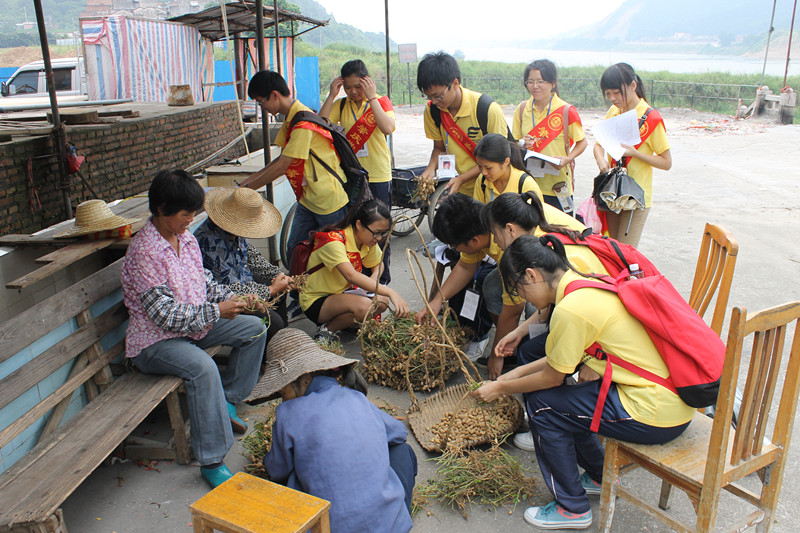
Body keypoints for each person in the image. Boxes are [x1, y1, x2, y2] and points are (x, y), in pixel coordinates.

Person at [471, 235, 694, 530]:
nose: (524, 298)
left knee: (543, 407)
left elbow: (552, 376)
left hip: (654, 412)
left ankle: (572, 508)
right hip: (668, 399)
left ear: (532, 275)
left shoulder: (570, 310)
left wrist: (500, 388)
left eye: (519, 288)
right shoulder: (583, 284)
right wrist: (513, 375)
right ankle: (600, 476)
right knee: (563, 403)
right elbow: (561, 360)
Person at [121, 169, 267, 489]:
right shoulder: (145, 251)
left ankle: (228, 400)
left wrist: (235, 299)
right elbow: (164, 316)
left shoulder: (185, 239)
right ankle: (212, 461)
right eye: (186, 214)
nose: (191, 220)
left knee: (254, 328)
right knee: (203, 368)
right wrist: (216, 311)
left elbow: (205, 283)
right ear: (162, 209)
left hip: (193, 327)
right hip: (155, 342)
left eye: (192, 213)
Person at [480, 191, 608, 451]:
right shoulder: (539, 241)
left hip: (605, 341)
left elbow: (590, 310)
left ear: (510, 229)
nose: (496, 243)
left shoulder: (557, 256)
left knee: (545, 375)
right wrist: (519, 332)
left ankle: (545, 417)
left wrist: (594, 362)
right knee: (528, 349)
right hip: (588, 325)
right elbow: (552, 298)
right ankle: (540, 416)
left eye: (496, 235)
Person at [255, 328, 415, 533]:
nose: (283, 399)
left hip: (327, 527)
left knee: (295, 471)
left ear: (305, 379)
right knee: (403, 451)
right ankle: (391, 515)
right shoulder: (357, 398)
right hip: (391, 528)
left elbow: (277, 471)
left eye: (283, 392)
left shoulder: (288, 413)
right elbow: (399, 434)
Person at [240, 70, 349, 258]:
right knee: (295, 251)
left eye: (260, 101)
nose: (261, 107)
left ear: (274, 95)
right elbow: (281, 159)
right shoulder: (292, 117)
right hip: (308, 198)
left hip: (328, 199)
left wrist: (248, 189)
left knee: (335, 255)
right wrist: (247, 183)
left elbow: (283, 166)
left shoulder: (302, 123)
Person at [319, 59, 395, 284]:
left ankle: (381, 280)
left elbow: (387, 127)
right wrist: (331, 96)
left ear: (367, 82)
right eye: (348, 87)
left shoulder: (380, 102)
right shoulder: (341, 105)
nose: (353, 92)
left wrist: (371, 98)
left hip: (378, 176)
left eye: (358, 87)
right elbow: (320, 124)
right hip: (352, 177)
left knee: (379, 231)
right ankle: (361, 281)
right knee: (356, 230)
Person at [300, 199, 409, 342]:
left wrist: (373, 280)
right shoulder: (333, 241)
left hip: (343, 294)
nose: (379, 238)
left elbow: (378, 264)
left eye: (383, 233)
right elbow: (351, 276)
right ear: (358, 225)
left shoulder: (367, 240)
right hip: (317, 300)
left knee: (382, 301)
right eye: (377, 233)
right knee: (366, 306)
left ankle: (349, 322)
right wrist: (391, 291)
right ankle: (327, 330)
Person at [194, 186, 290, 345]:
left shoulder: (235, 233)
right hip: (225, 298)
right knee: (274, 322)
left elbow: (254, 259)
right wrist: (270, 290)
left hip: (243, 283)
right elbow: (231, 288)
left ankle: (281, 344)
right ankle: (269, 351)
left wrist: (279, 276)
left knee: (280, 291)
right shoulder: (209, 242)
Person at [592, 62, 672, 247]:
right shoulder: (614, 112)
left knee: (626, 252)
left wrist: (636, 154)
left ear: (633, 85)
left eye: (616, 93)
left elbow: (666, 162)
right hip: (612, 192)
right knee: (612, 248)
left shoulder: (651, 118)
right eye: (608, 94)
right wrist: (600, 159)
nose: (612, 98)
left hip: (636, 197)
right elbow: (598, 145)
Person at [417, 51, 511, 198]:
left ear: (455, 84)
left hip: (492, 189)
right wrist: (430, 169)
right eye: (428, 97)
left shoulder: (487, 109)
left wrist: (462, 179)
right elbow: (439, 148)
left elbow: (497, 157)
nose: (434, 101)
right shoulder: (433, 111)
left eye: (438, 96)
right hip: (462, 189)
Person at [512, 59, 587, 215]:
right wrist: (522, 143)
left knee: (560, 228)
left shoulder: (566, 111)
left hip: (558, 186)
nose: (535, 86)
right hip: (529, 184)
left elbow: (582, 142)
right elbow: (513, 143)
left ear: (553, 83)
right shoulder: (522, 109)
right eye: (530, 81)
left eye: (541, 81)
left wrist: (567, 159)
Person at [472, 133, 543, 205]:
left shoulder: (526, 184)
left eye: (488, 168)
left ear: (506, 161)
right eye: (480, 166)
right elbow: (477, 210)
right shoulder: (482, 180)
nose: (484, 172)